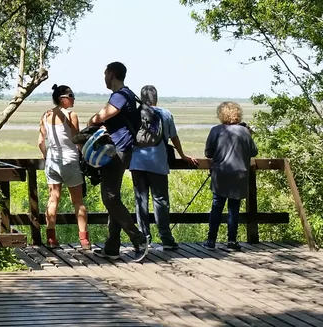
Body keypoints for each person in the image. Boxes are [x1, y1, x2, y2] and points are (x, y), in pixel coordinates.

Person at [86, 62, 150, 262]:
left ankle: (138, 239)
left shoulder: (120, 95)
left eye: (105, 73)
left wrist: (92, 122)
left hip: (118, 152)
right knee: (113, 199)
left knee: (110, 198)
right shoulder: (126, 94)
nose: (104, 77)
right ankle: (112, 247)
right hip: (119, 150)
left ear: (112, 74)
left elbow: (101, 116)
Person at [128, 85, 198, 250]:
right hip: (158, 163)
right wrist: (183, 155)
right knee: (160, 201)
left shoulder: (135, 114)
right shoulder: (165, 114)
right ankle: (166, 238)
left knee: (141, 201)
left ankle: (144, 238)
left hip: (137, 163)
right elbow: (173, 137)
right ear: (156, 98)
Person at [37, 84, 90, 249]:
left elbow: (40, 142)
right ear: (63, 99)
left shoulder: (46, 115)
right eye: (71, 95)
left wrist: (47, 157)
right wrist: (87, 156)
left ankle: (51, 239)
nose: (74, 98)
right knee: (78, 202)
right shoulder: (71, 115)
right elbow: (77, 139)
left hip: (52, 162)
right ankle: (84, 240)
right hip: (69, 161)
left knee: (53, 199)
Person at [204, 101, 257, 251]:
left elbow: (208, 153)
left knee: (217, 206)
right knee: (234, 208)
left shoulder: (216, 130)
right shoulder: (244, 132)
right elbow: (253, 151)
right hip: (240, 174)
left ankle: (211, 241)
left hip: (220, 174)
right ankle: (232, 241)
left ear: (221, 114)